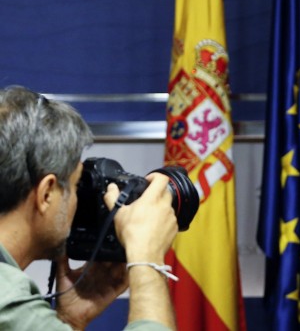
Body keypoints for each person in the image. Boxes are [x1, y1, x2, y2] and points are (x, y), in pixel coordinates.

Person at [0, 86, 178, 330]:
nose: (76, 202)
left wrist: (69, 321)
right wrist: (147, 258)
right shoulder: (7, 299)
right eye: (75, 187)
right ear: (46, 194)